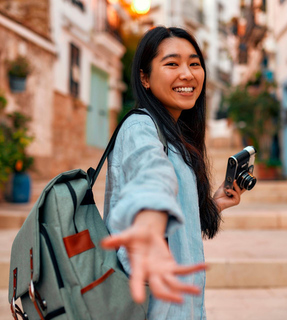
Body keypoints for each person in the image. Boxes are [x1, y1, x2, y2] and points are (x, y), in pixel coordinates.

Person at [101, 26, 244, 319]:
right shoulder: (140, 127)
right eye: (172, 64)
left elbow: (180, 227)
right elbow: (151, 174)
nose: (188, 74)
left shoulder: (176, 137)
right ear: (145, 78)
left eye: (194, 63)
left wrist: (212, 204)